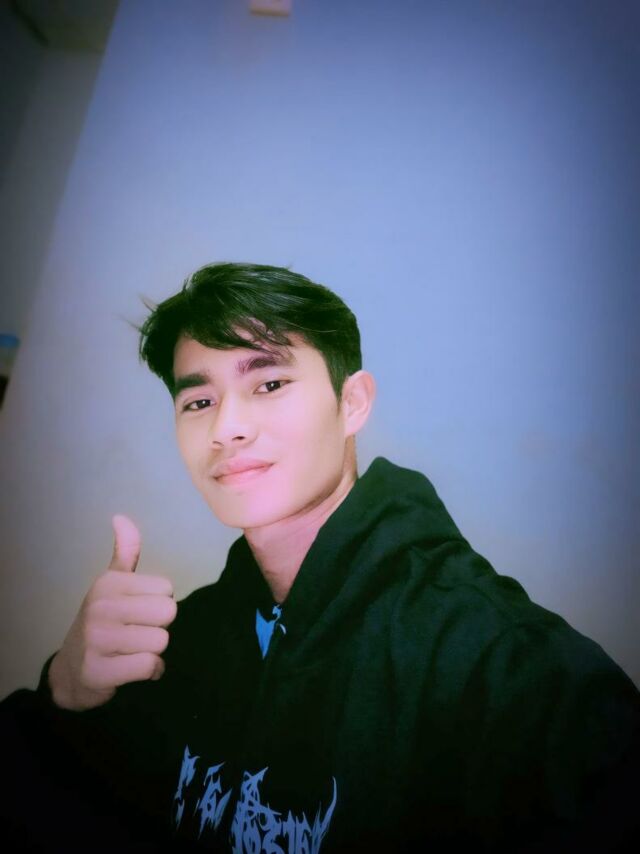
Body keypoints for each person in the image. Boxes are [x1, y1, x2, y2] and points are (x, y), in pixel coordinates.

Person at [2, 262, 638, 852]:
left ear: (352, 402)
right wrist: (66, 691)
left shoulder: (507, 669)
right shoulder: (181, 643)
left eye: (270, 383)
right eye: (198, 401)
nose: (225, 428)